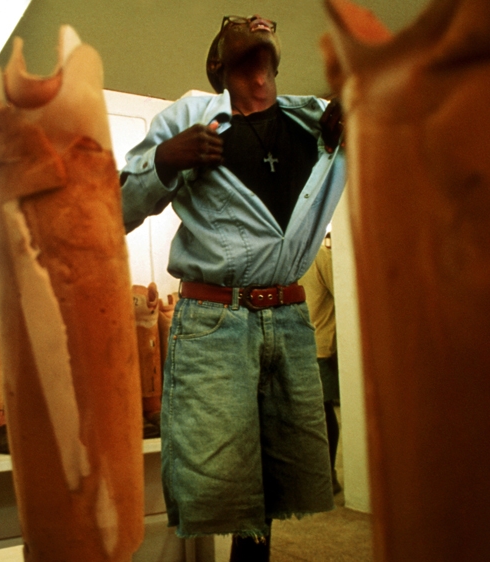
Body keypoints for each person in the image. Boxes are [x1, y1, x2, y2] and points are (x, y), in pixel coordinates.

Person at [120, 15, 345, 560]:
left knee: (273, 484)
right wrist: (166, 160)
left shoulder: (317, 122)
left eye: (264, 23)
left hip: (289, 319)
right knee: (215, 480)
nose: (255, 20)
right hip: (216, 318)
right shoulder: (191, 115)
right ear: (217, 64)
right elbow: (113, 208)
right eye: (236, 24)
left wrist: (361, 107)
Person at [300, 232, 342, 495]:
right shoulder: (291, 257)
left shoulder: (319, 256)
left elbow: (343, 295)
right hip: (298, 345)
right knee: (308, 416)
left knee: (322, 412)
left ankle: (326, 476)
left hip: (318, 347)